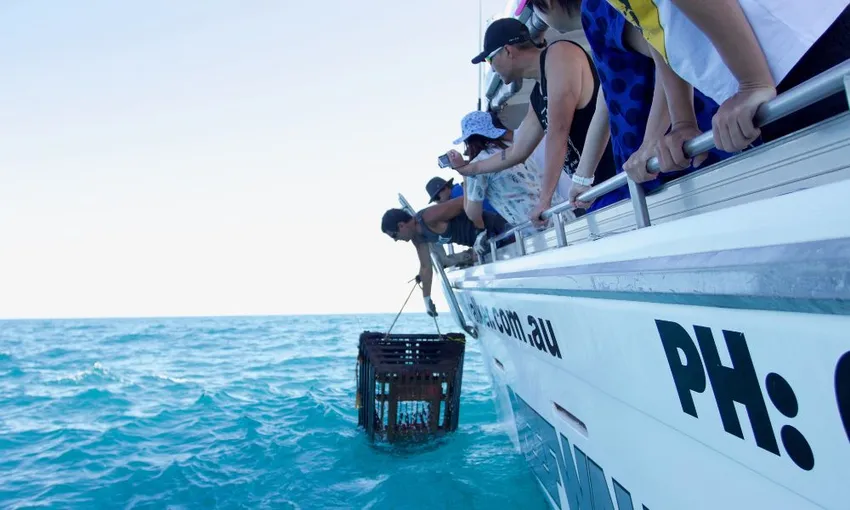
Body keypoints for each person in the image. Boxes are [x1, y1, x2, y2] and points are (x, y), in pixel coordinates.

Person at [527, 0, 732, 210]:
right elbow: (605, 102)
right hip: (662, 162)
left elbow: (666, 50)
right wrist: (582, 178)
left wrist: (651, 140)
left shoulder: (601, 8)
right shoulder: (596, 16)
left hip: (680, 158)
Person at [603, 0, 850, 173]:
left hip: (800, 47)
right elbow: (653, 24)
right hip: (780, 66)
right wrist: (682, 122)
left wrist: (752, 81)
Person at [454, 17, 617, 226]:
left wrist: (544, 201)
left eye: (490, 60)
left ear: (508, 51)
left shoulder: (559, 54)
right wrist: (471, 169)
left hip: (622, 178)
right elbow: (517, 151)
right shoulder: (537, 95)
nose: (492, 69)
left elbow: (559, 130)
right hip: (597, 192)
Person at [381, 199, 509, 316]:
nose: (396, 240)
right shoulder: (418, 238)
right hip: (487, 244)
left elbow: (464, 202)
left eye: (394, 236)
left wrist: (480, 231)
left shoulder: (428, 217)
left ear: (401, 225)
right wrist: (427, 300)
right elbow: (426, 267)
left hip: (497, 228)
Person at [449, 110, 571, 229]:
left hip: (540, 227)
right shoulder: (515, 149)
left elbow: (473, 213)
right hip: (565, 214)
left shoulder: (478, 167)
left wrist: (464, 174)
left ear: (467, 141)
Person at [425, 176, 498, 213]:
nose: (437, 202)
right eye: (434, 200)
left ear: (445, 188)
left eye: (437, 198)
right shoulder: (461, 189)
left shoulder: (457, 193)